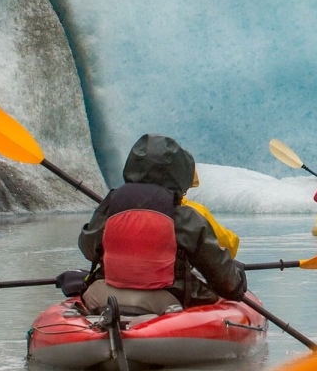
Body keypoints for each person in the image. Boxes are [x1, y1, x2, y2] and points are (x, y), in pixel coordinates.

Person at [77, 134, 247, 315]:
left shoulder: (111, 206)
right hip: (164, 301)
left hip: (103, 296)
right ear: (179, 174)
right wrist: (237, 284)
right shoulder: (183, 217)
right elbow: (219, 271)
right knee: (211, 295)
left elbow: (87, 247)